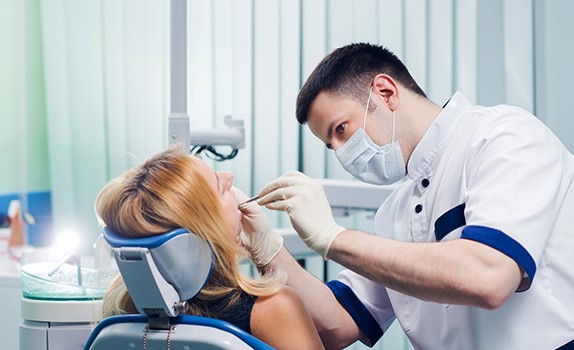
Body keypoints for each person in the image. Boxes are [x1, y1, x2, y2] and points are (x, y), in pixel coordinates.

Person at [239, 43, 574, 349]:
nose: (341, 153)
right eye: (331, 146)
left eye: (341, 130)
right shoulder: (395, 212)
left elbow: (489, 276)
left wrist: (333, 238)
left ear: (385, 92)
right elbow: (337, 325)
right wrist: (265, 246)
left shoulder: (503, 137)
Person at [94, 146, 324, 350]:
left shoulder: (119, 314)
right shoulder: (273, 310)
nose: (229, 178)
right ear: (208, 227)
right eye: (220, 188)